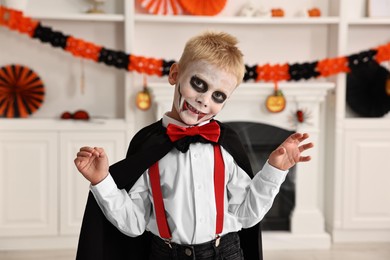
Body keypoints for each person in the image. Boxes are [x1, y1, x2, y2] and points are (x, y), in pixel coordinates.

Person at [74, 31, 313, 260]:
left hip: (225, 253)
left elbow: (246, 215)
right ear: (175, 74)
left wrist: (274, 169)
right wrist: (102, 181)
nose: (204, 100)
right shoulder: (148, 144)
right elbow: (134, 224)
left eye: (218, 96)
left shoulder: (225, 143)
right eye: (199, 83)